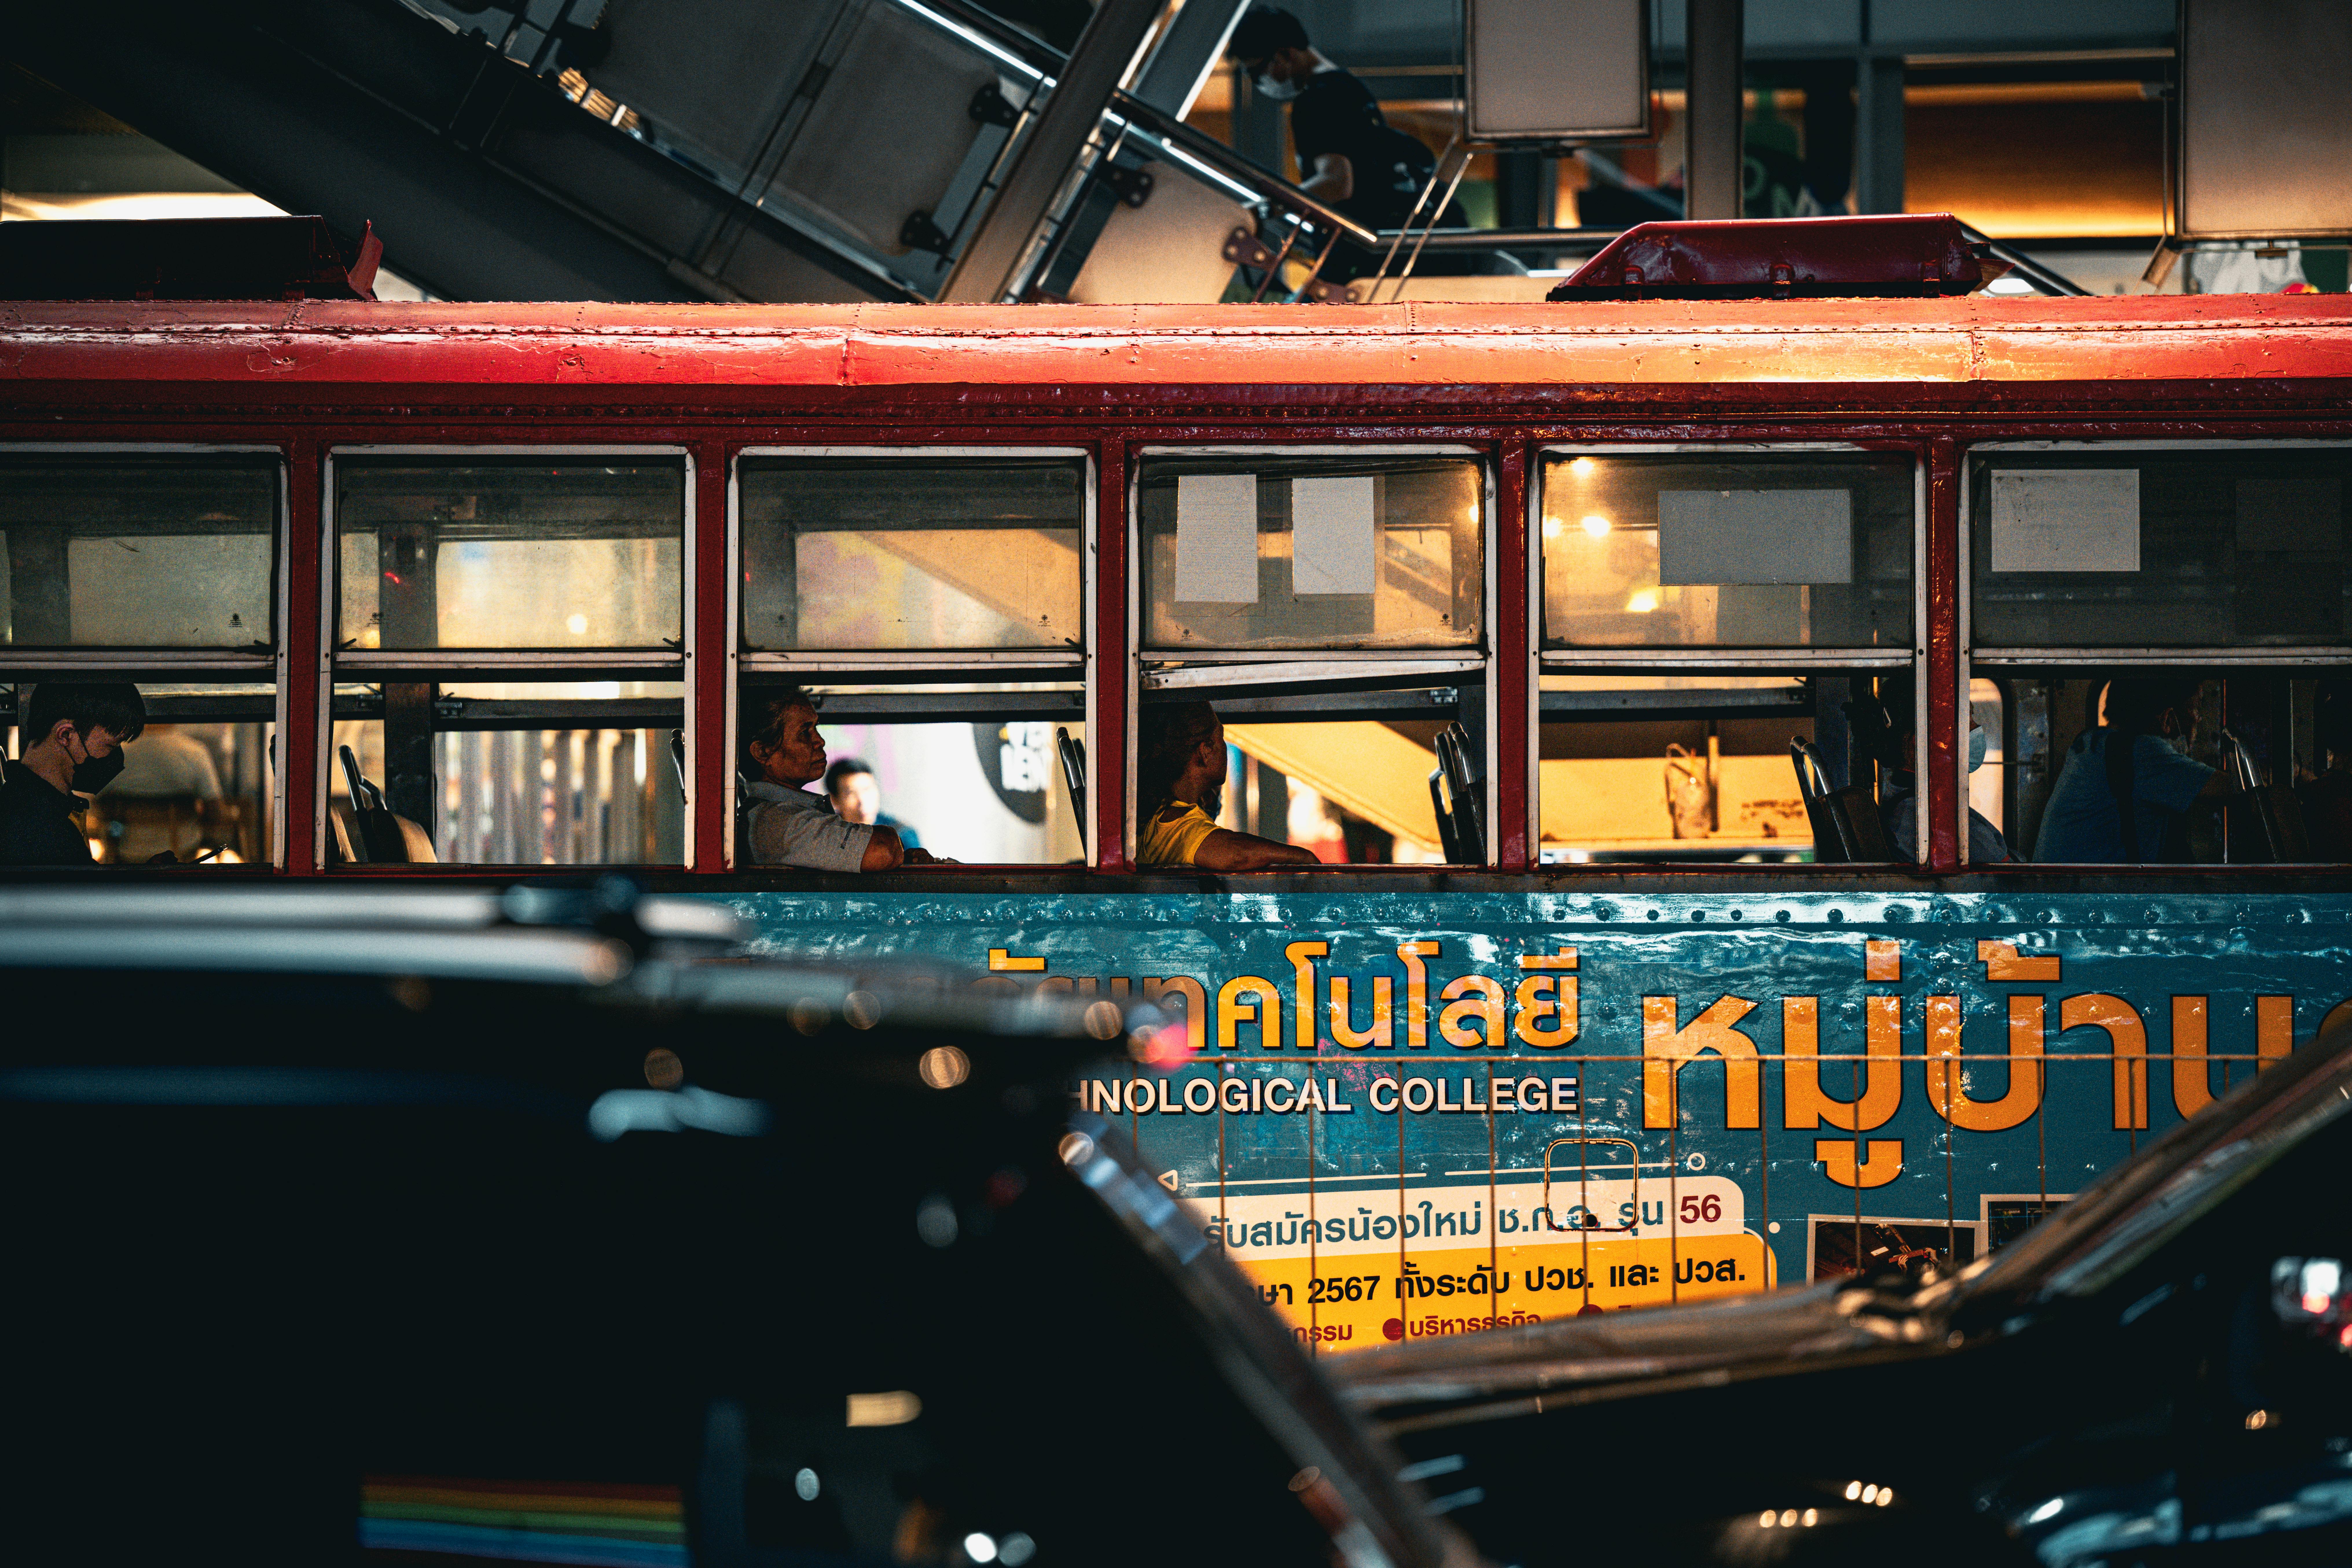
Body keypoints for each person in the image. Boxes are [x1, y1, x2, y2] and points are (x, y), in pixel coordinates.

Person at [1226, 7, 1471, 276]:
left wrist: (1267, 208)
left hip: (1359, 257)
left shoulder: (1316, 100)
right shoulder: (1348, 86)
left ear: (1285, 54)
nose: (1259, 82)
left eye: (1257, 71)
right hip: (1386, 249)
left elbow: (1337, 183)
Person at [2034, 677, 2236, 863]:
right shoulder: (2142, 753)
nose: (2198, 720)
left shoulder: (2094, 742)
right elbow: (2237, 789)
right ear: (2167, 719)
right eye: (2196, 709)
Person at [741, 690, 934, 872]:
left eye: (816, 728)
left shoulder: (790, 814)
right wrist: (890, 845)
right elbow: (883, 850)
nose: (820, 741)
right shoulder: (777, 822)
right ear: (763, 752)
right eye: (804, 733)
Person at [1136, 701, 1320, 870]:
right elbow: (1237, 854)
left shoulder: (1159, 812)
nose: (1225, 747)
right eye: (1221, 738)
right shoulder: (1176, 822)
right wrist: (1305, 857)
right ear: (1206, 752)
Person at [1855, 680, 2011, 863]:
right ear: (1921, 741)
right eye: (1966, 721)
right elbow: (2004, 870)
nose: (1976, 728)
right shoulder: (1922, 816)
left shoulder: (1924, 802)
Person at [0, 682, 146, 865]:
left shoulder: (26, 805)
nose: (114, 757)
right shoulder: (40, 828)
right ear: (66, 735)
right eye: (110, 746)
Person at [823, 757, 922, 851]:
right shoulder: (826, 837)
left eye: (867, 790)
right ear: (833, 800)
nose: (862, 801)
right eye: (851, 793)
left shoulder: (901, 834)